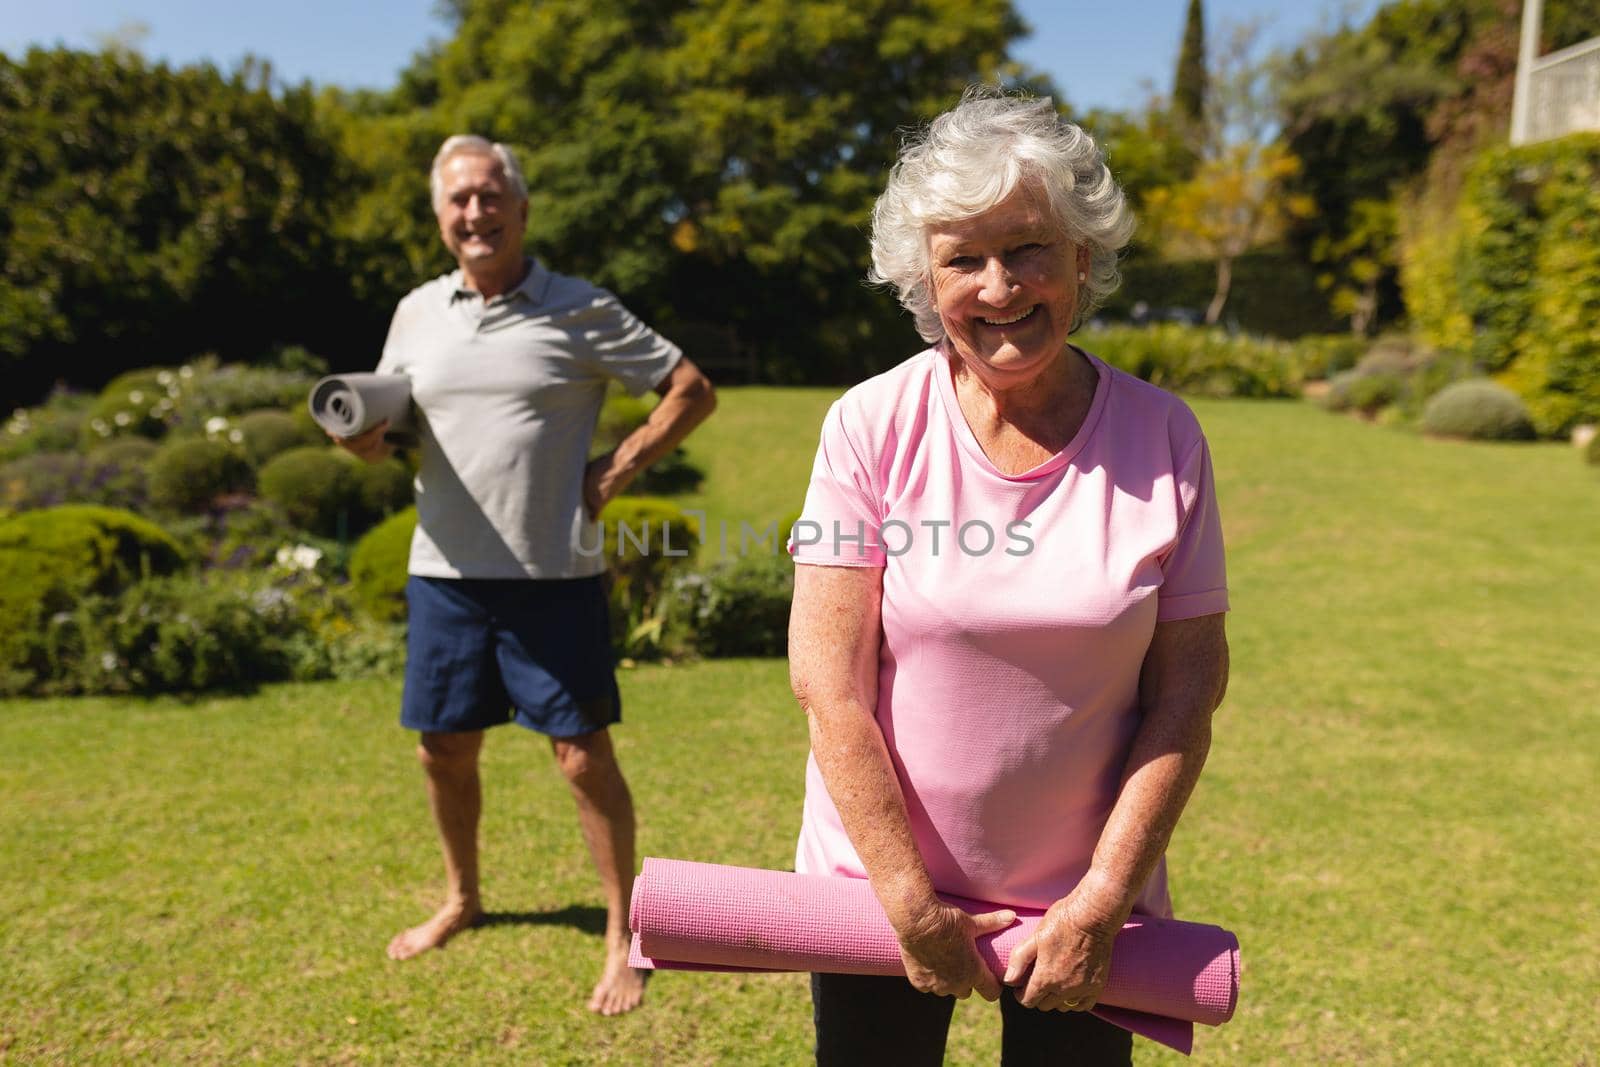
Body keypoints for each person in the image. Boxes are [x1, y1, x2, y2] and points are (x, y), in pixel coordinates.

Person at [787, 89, 1230, 1064]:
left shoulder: (1164, 435)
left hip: (1084, 902)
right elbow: (827, 682)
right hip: (876, 888)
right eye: (962, 259)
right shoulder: (865, 424)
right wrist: (907, 897)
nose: (999, 287)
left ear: (1081, 254)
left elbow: (1187, 688)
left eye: (1028, 247)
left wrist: (1105, 895)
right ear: (923, 278)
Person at [334, 134, 715, 1016]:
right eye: (459, 199)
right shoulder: (415, 313)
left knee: (582, 760)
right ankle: (462, 895)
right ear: (440, 217)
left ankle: (625, 932)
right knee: (442, 749)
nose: (476, 212)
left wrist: (613, 472)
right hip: (444, 576)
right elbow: (389, 424)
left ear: (521, 208)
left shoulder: (578, 308)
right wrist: (362, 441)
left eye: (490, 195)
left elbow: (689, 388)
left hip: (552, 577)